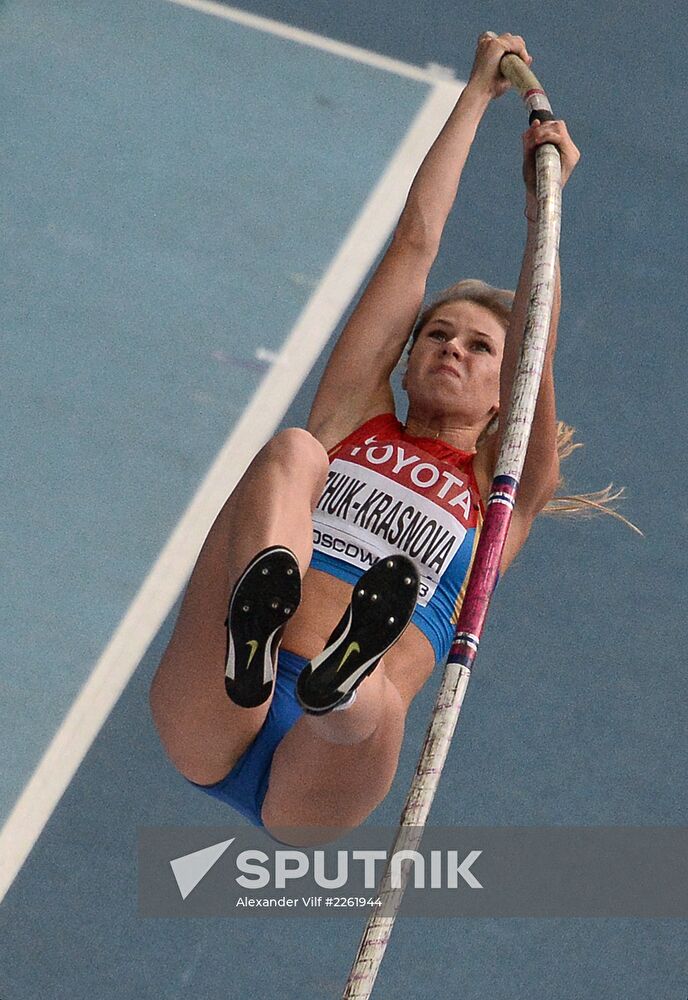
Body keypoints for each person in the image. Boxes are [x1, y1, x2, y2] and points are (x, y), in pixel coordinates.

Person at [150, 32, 582, 844]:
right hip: (219, 697)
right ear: (407, 355)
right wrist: (473, 99)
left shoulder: (503, 496)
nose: (451, 346)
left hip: (326, 769)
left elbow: (537, 345)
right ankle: (258, 631)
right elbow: (414, 244)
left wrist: (541, 213)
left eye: (478, 347)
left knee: (371, 702)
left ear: (504, 396)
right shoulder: (354, 419)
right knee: (294, 452)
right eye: (437, 335)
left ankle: (344, 676)